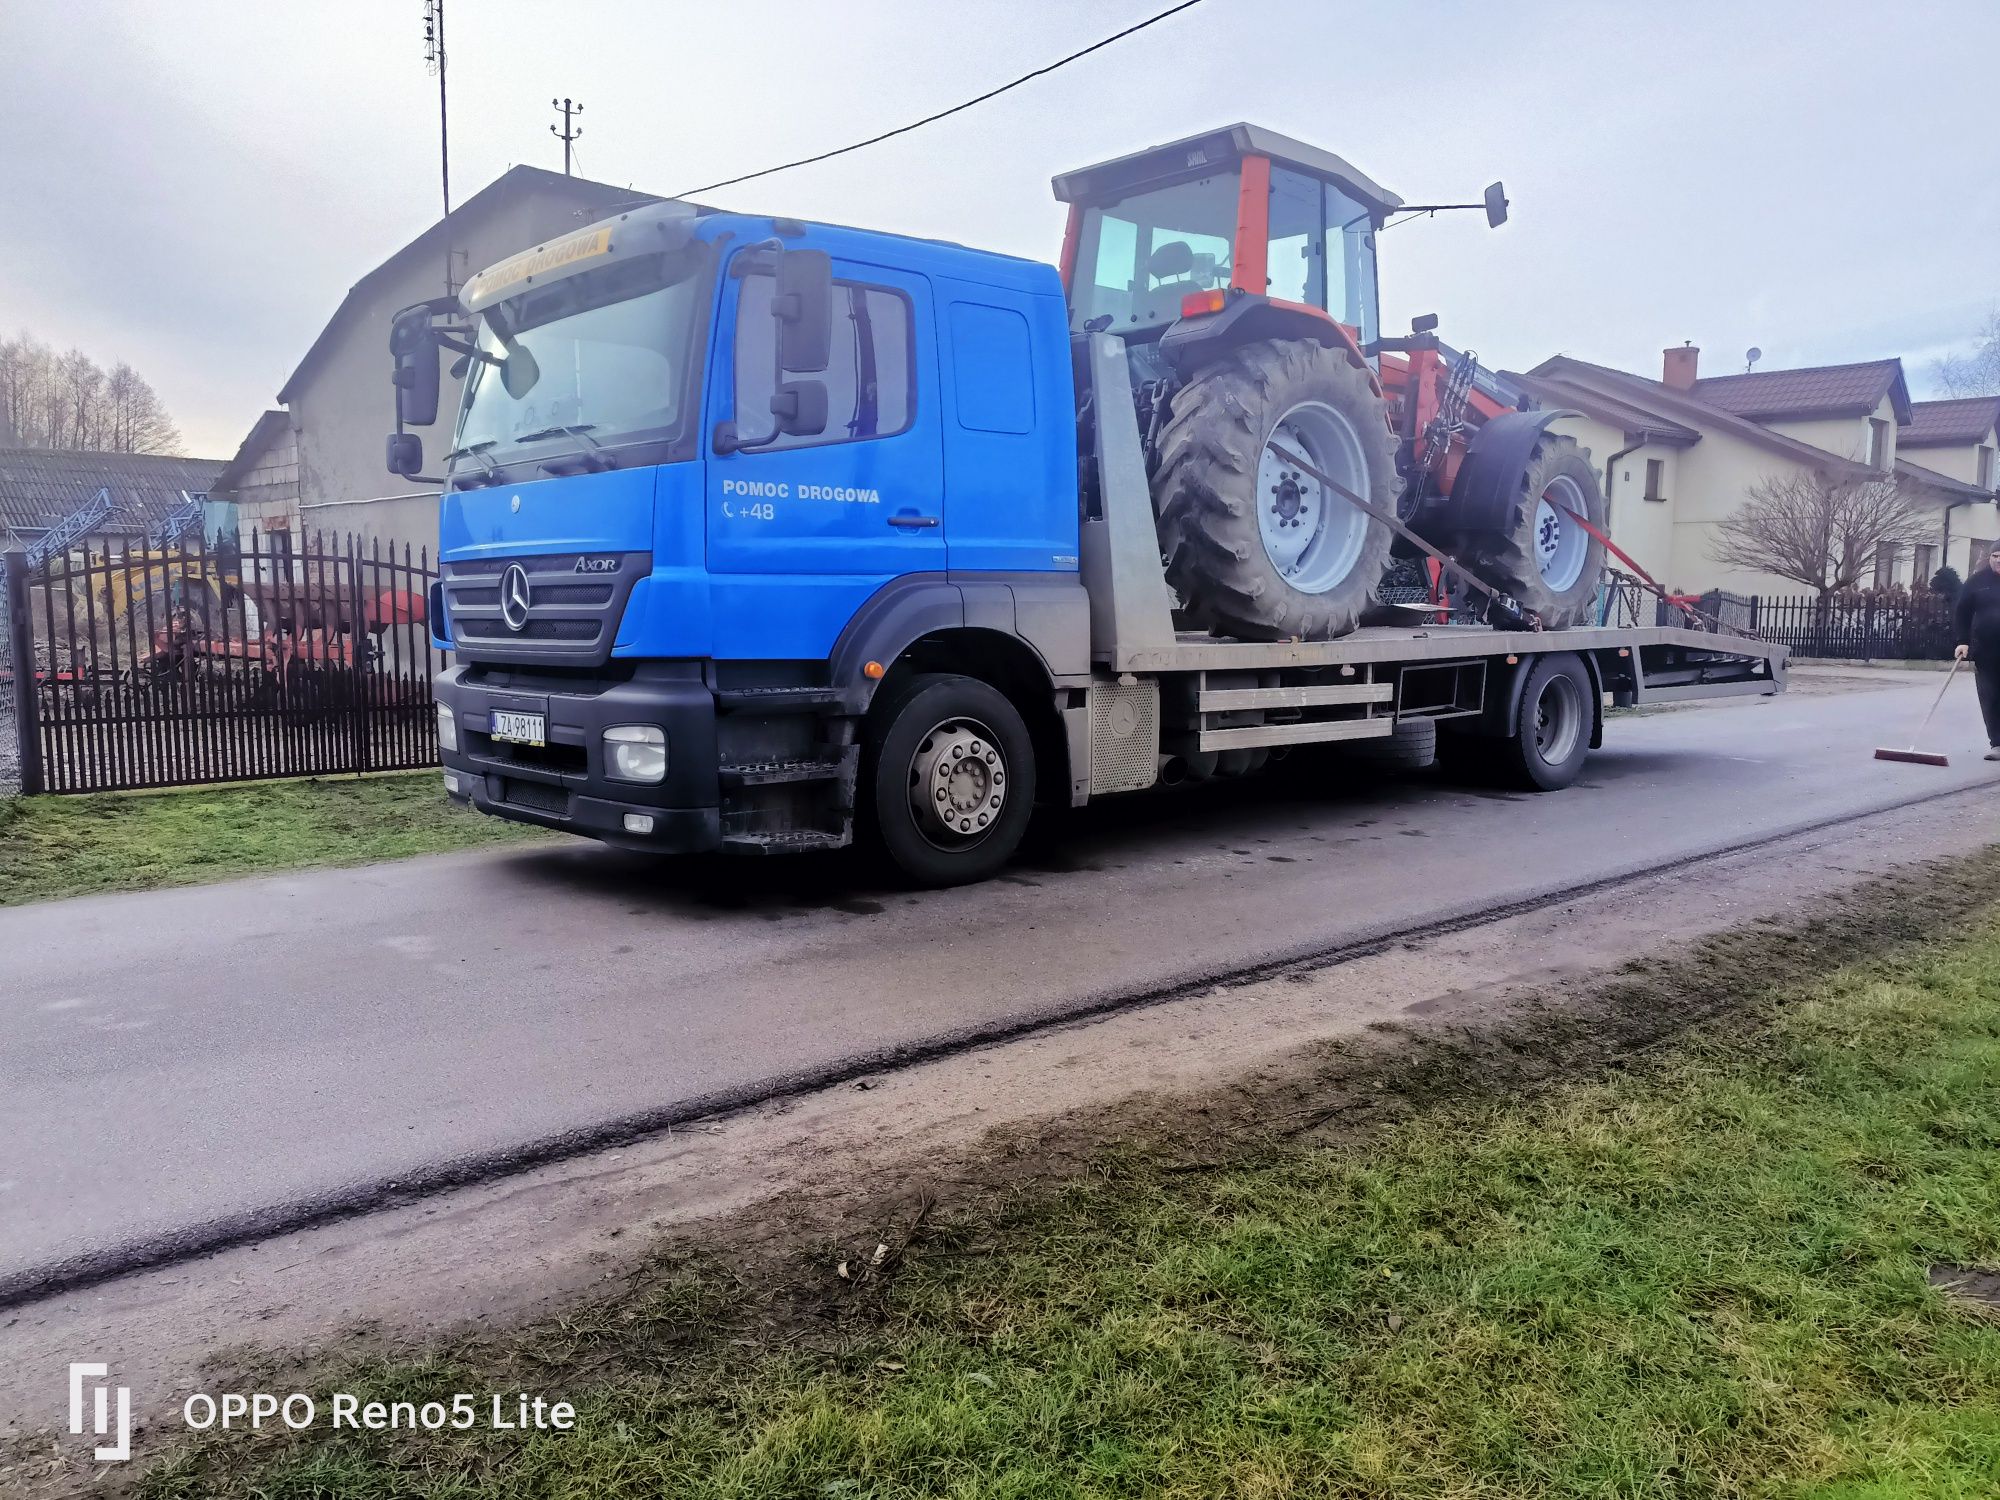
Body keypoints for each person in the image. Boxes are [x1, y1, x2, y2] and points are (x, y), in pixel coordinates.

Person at [1953, 543, 2000, 760]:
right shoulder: (1977, 582)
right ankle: (1997, 744)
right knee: (1990, 696)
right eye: (1995, 555)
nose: (1998, 560)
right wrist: (1963, 641)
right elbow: (1962, 611)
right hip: (1986, 650)